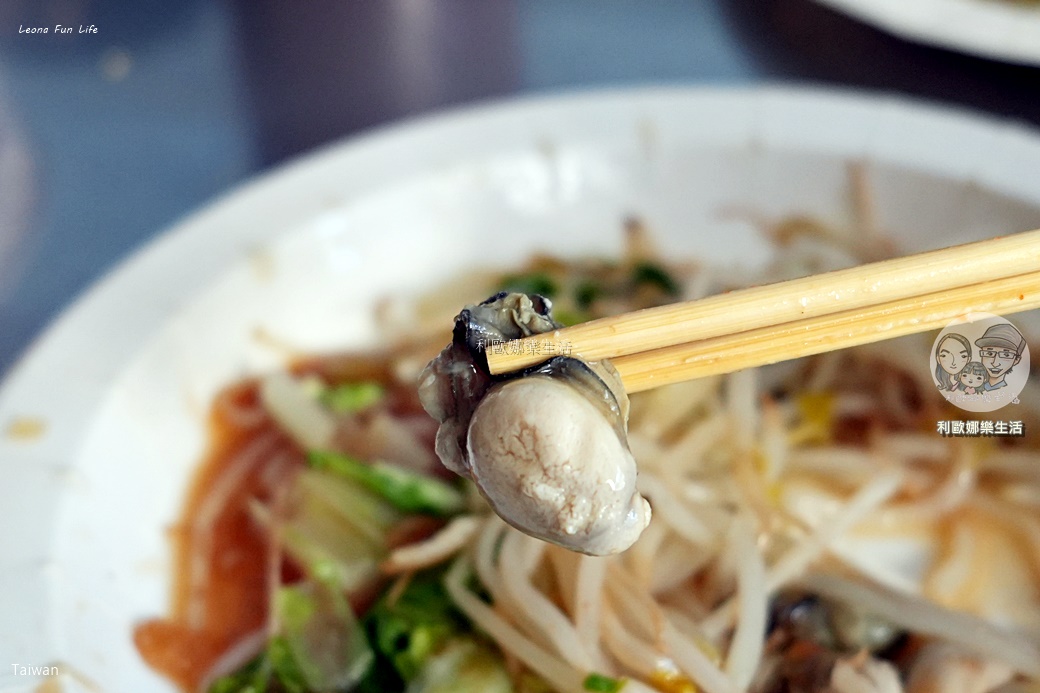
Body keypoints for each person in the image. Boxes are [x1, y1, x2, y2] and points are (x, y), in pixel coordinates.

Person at [975, 322, 1026, 391]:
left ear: (1016, 360)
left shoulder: (1015, 390)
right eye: (989, 353)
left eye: (1006, 355)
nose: (995, 363)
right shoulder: (968, 386)